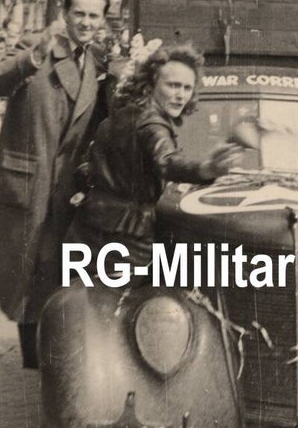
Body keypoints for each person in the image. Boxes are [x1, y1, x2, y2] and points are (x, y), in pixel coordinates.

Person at [0, 0, 112, 369]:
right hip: (27, 181)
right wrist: (35, 54)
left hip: (64, 187)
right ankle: (33, 361)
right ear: (65, 13)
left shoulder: (94, 63)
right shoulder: (35, 46)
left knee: (51, 268)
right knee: (25, 273)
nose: (86, 22)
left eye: (94, 15)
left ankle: (45, 357)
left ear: (102, 20)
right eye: (79, 14)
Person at [66, 43, 242, 269]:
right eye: (173, 85)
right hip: (127, 242)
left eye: (187, 88)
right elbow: (167, 161)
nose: (181, 95)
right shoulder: (153, 123)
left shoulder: (122, 113)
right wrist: (205, 169)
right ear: (151, 84)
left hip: (86, 229)